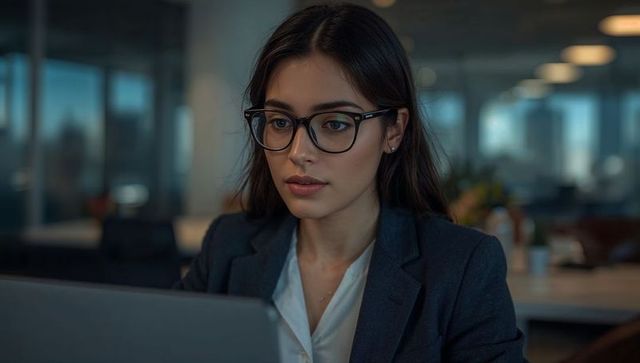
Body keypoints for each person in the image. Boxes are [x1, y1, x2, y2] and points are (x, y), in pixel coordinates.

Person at [174, 3, 525, 362]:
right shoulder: (227, 247)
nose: (298, 152)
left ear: (394, 130)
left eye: (335, 123)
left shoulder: (461, 267)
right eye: (280, 121)